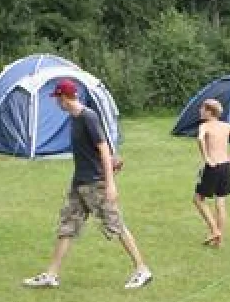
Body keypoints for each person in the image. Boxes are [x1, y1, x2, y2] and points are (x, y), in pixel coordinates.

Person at [23, 79, 152, 290]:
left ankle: (142, 270)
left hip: (95, 184)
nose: (56, 102)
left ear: (64, 98)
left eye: (57, 98)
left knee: (116, 225)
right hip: (79, 183)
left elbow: (103, 148)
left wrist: (110, 184)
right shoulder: (74, 118)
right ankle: (51, 275)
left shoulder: (88, 117)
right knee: (67, 226)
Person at [193, 98, 230, 248]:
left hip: (213, 167)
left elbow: (199, 139)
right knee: (220, 202)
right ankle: (219, 241)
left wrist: (206, 158)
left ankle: (214, 231)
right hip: (225, 166)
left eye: (202, 108)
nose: (200, 111)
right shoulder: (225, 126)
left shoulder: (204, 126)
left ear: (209, 112)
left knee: (198, 199)